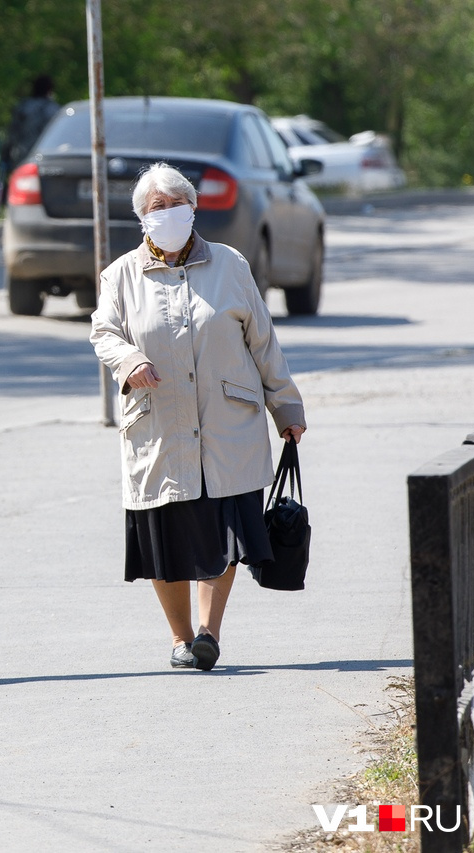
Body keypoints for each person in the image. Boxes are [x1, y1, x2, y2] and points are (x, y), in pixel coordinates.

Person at [89, 163, 306, 672]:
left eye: (175, 203)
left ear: (194, 207)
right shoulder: (120, 274)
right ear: (142, 218)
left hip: (229, 422)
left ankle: (209, 633)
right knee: (165, 534)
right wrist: (129, 361)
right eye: (155, 207)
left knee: (225, 530)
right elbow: (103, 332)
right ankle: (181, 638)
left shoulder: (230, 265)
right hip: (159, 426)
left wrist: (286, 407)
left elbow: (263, 342)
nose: (167, 213)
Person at [0, 74, 60, 202]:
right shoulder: (55, 110)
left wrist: (5, 154)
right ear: (50, 90)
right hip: (49, 156)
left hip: (23, 155)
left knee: (23, 189)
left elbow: (12, 134)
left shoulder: (23, 107)